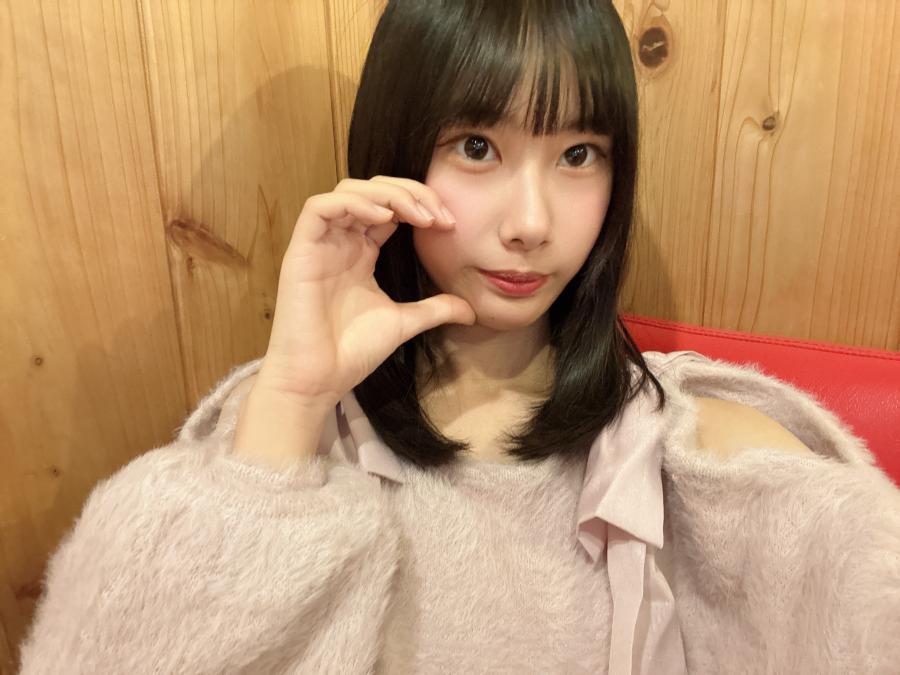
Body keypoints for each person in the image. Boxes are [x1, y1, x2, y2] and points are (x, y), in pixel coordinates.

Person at [18, 1, 900, 673]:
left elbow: (858, 577)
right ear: (397, 155)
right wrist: (291, 398)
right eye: (477, 146)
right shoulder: (287, 438)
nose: (531, 222)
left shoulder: (690, 452)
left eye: (578, 154)